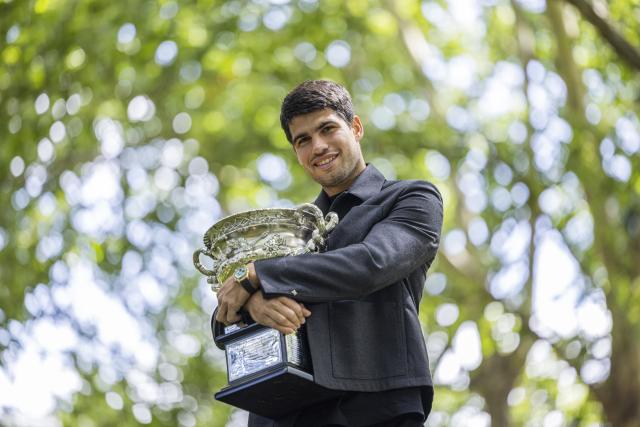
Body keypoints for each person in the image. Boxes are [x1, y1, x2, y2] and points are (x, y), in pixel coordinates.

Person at [215, 80, 443, 426]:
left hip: (372, 409)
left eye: (327, 129)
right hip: (282, 415)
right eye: (303, 140)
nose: (317, 146)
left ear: (356, 127)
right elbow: (223, 320)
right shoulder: (287, 233)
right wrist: (253, 303)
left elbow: (369, 264)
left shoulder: (411, 199)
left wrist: (260, 276)